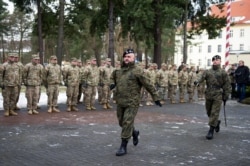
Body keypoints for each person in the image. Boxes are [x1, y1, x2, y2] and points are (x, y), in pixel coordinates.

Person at [110, 48, 162, 156]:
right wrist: (112, 84)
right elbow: (112, 77)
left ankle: (123, 146)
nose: (126, 58)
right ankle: (134, 132)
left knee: (127, 122)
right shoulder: (119, 71)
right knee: (122, 122)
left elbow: (148, 84)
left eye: (129, 57)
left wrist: (155, 97)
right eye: (125, 57)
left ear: (134, 58)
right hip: (120, 101)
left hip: (132, 102)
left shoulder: (138, 71)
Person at [195, 55, 231, 140]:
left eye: (217, 60)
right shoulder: (208, 71)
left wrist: (226, 95)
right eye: (214, 60)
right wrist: (196, 81)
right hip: (208, 94)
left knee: (214, 112)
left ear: (220, 61)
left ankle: (211, 130)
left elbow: (227, 84)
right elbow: (201, 77)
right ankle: (216, 122)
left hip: (218, 94)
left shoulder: (223, 72)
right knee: (209, 112)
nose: (215, 61)